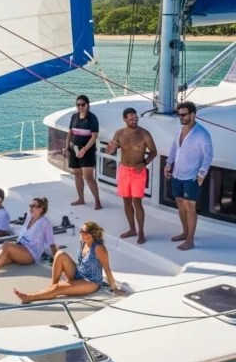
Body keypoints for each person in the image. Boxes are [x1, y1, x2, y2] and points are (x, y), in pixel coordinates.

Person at [13, 221, 125, 304]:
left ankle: (30, 297)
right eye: (81, 230)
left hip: (90, 282)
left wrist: (114, 288)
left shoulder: (99, 248)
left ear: (91, 234)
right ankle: (52, 287)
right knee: (59, 254)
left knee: (59, 289)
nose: (80, 233)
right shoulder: (83, 243)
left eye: (83, 231)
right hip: (78, 274)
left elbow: (107, 269)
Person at [164, 101, 213, 251]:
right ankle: (184, 232)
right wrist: (168, 163)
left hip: (191, 176)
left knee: (189, 206)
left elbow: (208, 155)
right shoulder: (180, 130)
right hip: (177, 174)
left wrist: (202, 173)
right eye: (179, 115)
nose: (181, 117)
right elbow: (174, 148)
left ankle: (190, 239)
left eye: (184, 115)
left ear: (192, 114)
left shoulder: (201, 134)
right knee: (179, 202)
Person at [105, 107, 157, 244]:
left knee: (137, 202)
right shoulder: (119, 133)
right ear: (124, 119)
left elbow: (153, 152)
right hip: (123, 170)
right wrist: (109, 149)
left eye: (136, 118)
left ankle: (141, 232)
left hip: (138, 172)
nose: (134, 121)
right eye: (131, 119)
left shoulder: (144, 134)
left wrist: (144, 163)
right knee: (126, 201)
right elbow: (110, 150)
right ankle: (132, 229)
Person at [67, 95, 101, 209]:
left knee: (88, 177)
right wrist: (67, 147)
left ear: (87, 105)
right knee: (77, 174)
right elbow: (70, 133)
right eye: (78, 105)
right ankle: (81, 199)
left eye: (82, 104)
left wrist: (84, 150)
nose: (80, 107)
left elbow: (94, 136)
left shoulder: (92, 118)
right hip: (74, 149)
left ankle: (97, 201)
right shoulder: (74, 117)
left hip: (87, 150)